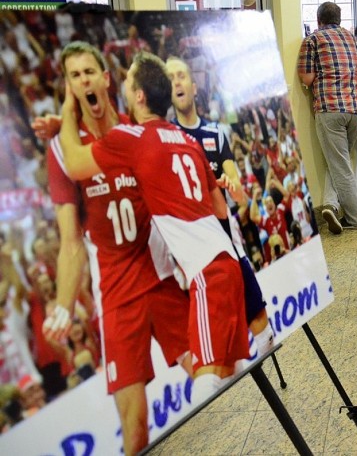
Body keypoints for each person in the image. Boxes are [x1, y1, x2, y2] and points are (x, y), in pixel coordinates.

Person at [58, 52, 249, 405]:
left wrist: (67, 112)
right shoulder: (187, 140)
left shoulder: (130, 138)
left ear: (140, 96)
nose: (125, 91)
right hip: (228, 262)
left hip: (206, 273)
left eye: (129, 85)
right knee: (230, 376)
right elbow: (220, 207)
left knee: (206, 390)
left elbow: (72, 162)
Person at [40, 41, 190, 456]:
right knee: (136, 429)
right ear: (69, 88)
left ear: (107, 80)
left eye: (90, 72)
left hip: (160, 278)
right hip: (118, 297)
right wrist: (63, 306)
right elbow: (70, 243)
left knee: (214, 370)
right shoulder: (60, 150)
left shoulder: (136, 129)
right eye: (74, 76)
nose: (84, 80)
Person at [166, 56, 275, 358]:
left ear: (194, 85)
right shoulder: (166, 137)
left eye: (181, 76)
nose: (177, 81)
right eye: (170, 77)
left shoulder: (216, 132)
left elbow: (239, 195)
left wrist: (231, 182)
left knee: (259, 318)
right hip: (193, 251)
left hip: (227, 240)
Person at [297, 2, 357, 234]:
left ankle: (356, 218)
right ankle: (331, 205)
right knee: (338, 162)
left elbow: (306, 78)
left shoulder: (313, 40)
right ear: (339, 18)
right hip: (355, 110)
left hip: (329, 109)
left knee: (340, 165)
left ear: (319, 20)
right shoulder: (354, 40)